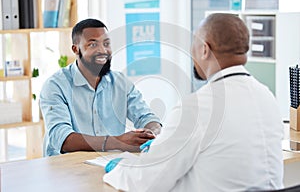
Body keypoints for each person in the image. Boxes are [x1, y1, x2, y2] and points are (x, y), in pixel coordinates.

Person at [103, 13, 284, 191]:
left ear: (204, 49)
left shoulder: (198, 107)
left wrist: (120, 167)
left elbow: (144, 182)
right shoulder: (267, 97)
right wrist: (164, 146)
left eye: (193, 45)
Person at [40, 19, 161, 156]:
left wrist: (152, 133)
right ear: (76, 49)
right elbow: (61, 138)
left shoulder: (121, 82)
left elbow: (146, 117)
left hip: (107, 164)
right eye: (92, 44)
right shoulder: (55, 85)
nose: (102, 50)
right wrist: (118, 142)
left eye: (106, 44)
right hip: (65, 168)